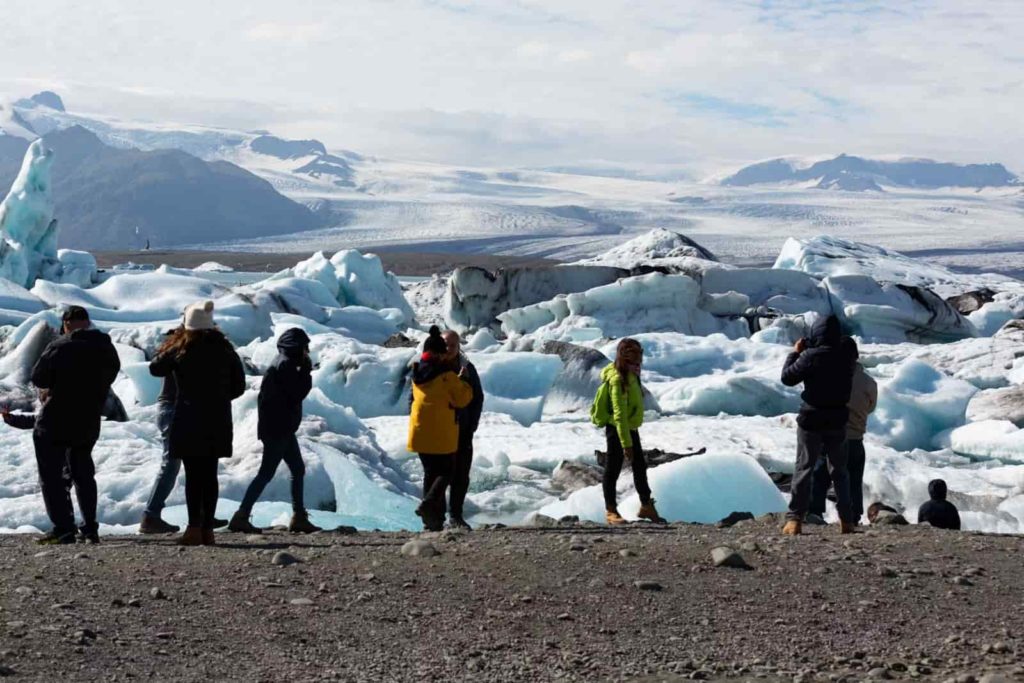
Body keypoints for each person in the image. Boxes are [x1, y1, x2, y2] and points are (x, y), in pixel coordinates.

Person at [150, 301, 245, 546]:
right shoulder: (225, 349)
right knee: (210, 474)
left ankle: (193, 528)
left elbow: (155, 368)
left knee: (193, 475)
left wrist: (174, 342)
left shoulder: (183, 349)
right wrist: (220, 398)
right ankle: (207, 530)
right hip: (217, 418)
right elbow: (239, 386)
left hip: (188, 416)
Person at [29, 306, 121, 544]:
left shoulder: (60, 346)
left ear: (67, 323)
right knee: (83, 472)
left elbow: (39, 377)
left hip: (55, 418)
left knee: (51, 475)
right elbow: (111, 374)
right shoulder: (105, 347)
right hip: (88, 419)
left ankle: (63, 527)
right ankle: (90, 527)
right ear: (87, 322)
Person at [229, 328, 321, 534]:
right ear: (297, 347)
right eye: (305, 346)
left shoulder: (281, 361)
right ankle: (241, 515)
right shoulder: (287, 365)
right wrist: (306, 372)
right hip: (279, 428)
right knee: (266, 473)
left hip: (279, 427)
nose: (307, 350)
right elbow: (296, 394)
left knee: (297, 468)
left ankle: (298, 516)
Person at [780, 314, 857, 535]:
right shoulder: (847, 356)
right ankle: (847, 520)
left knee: (804, 467)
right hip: (838, 419)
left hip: (811, 418)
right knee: (840, 471)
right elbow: (849, 345)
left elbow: (787, 378)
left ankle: (795, 519)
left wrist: (796, 352)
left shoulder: (810, 356)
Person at [590, 338, 665, 525]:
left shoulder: (632, 374)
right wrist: (626, 444)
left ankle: (646, 505)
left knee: (639, 465)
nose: (638, 361)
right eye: (633, 357)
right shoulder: (618, 380)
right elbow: (619, 415)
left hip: (629, 426)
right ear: (623, 357)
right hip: (617, 429)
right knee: (613, 468)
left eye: (639, 355)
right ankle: (610, 511)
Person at [408, 326, 473, 531]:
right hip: (442, 432)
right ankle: (429, 505)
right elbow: (463, 398)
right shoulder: (445, 374)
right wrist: (463, 380)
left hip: (420, 432)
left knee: (430, 473)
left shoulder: (418, 371)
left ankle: (432, 522)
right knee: (446, 471)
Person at [809, 341, 877, 525]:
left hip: (832, 437)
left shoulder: (830, 378)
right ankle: (853, 516)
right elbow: (871, 407)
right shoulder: (869, 382)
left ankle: (815, 511)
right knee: (854, 478)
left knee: (821, 474)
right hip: (856, 439)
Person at [441, 330, 483, 530]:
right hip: (438, 431)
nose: (448, 349)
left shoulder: (467, 368)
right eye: (445, 345)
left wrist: (471, 425)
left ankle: (456, 515)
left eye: (452, 346)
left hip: (462, 430)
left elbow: (477, 398)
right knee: (438, 474)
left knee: (461, 475)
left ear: (458, 347)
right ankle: (436, 517)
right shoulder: (430, 368)